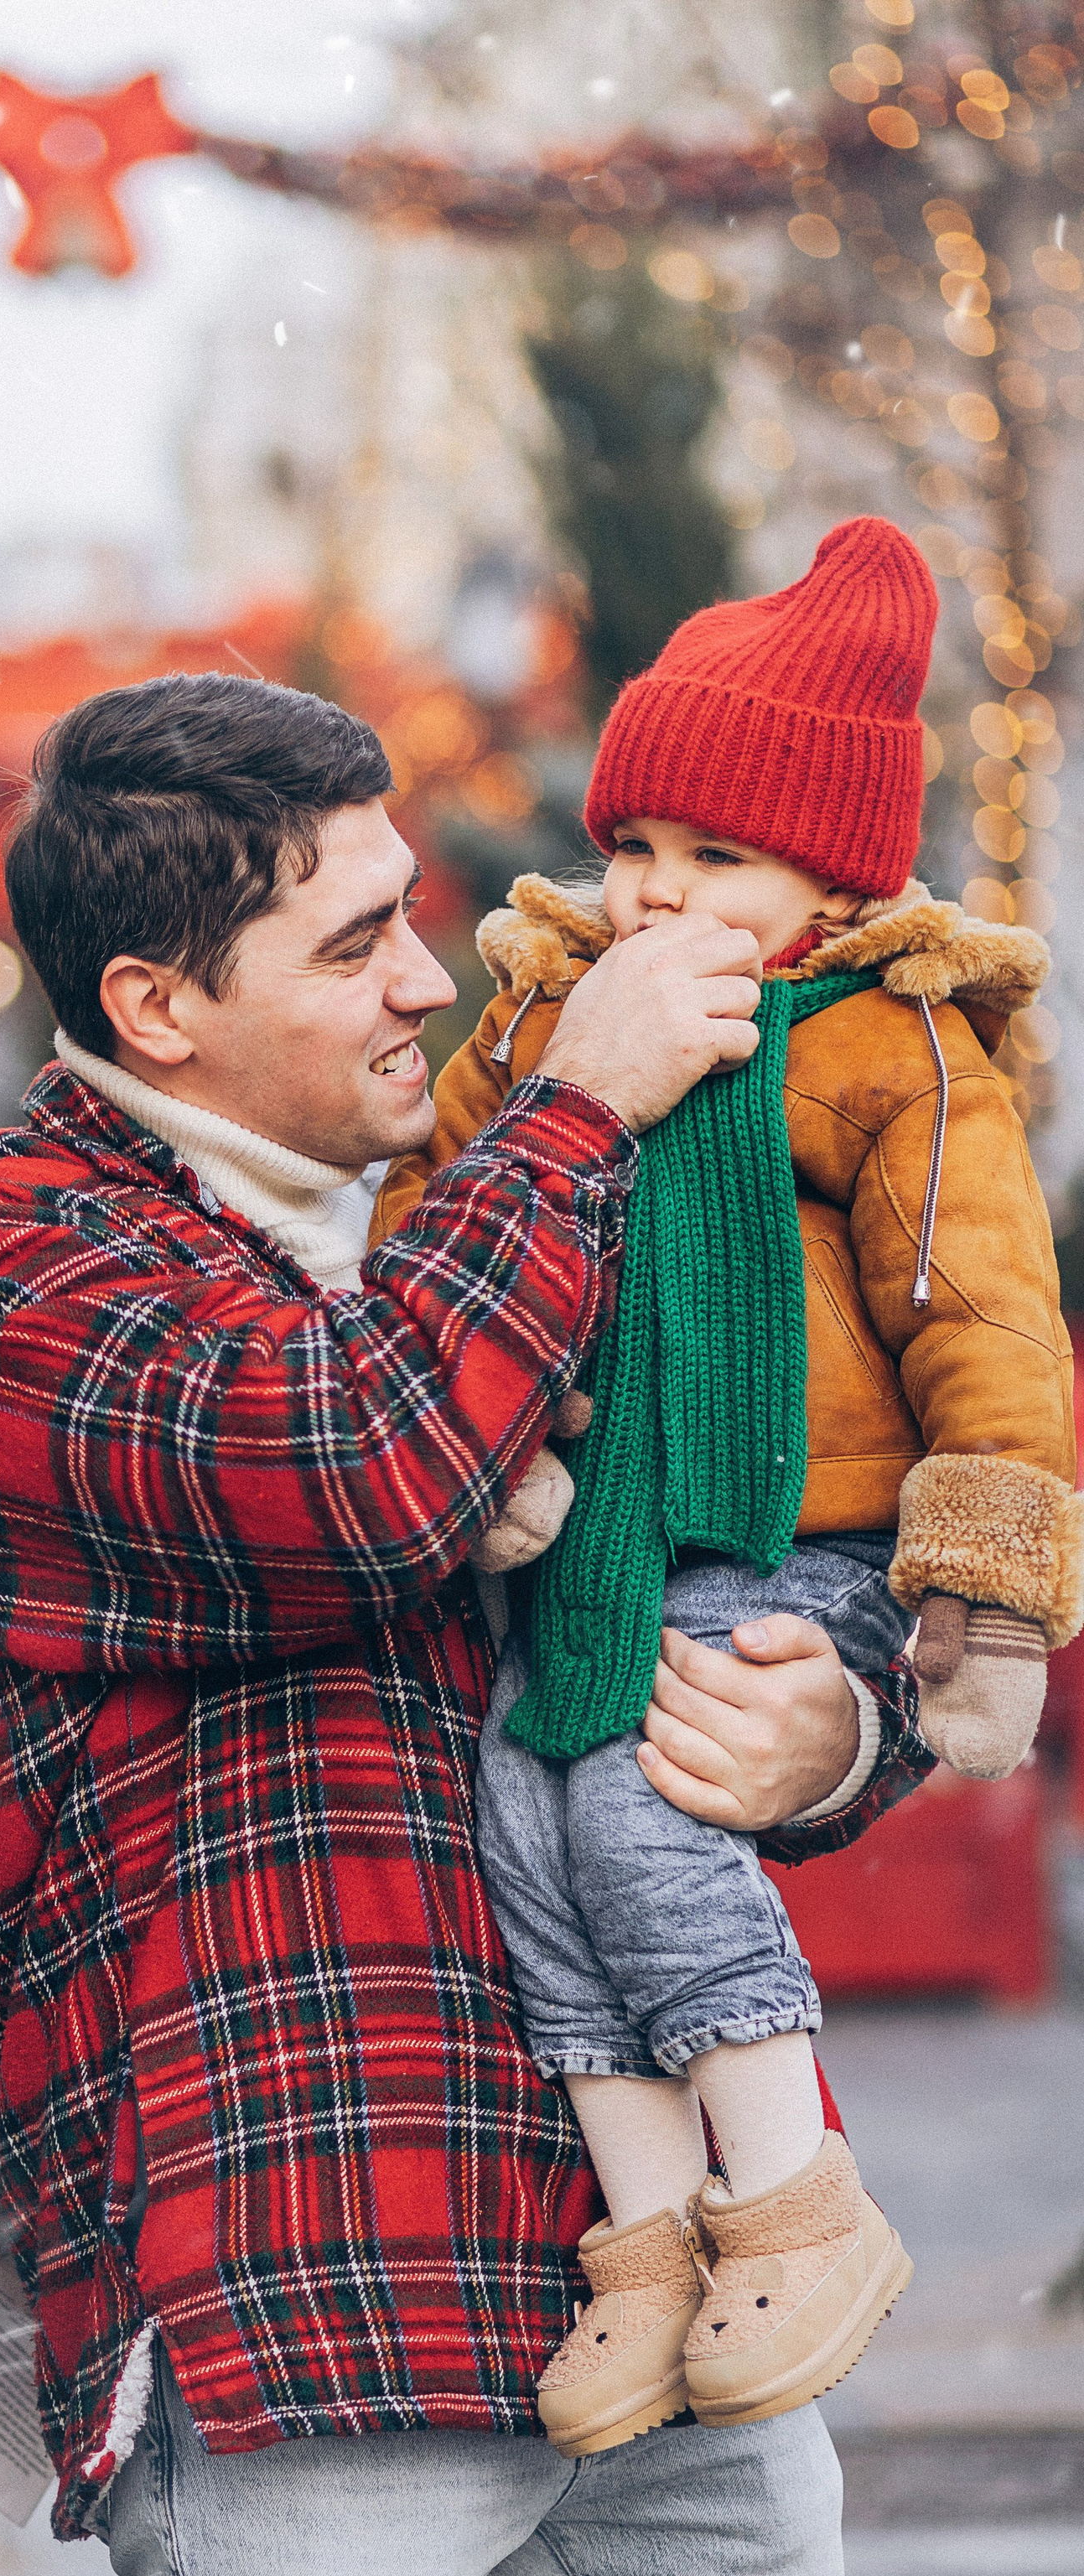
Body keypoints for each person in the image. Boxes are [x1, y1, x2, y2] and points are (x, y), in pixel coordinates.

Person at [0, 671, 933, 2576]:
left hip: (665, 2244)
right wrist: (579, 1115)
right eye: (355, 943)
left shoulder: (474, 1198)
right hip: (299, 2241)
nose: (433, 980)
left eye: (418, 917)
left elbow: (772, 1541)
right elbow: (350, 1476)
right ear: (156, 998)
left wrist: (835, 1723)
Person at [372, 517, 1077, 2458]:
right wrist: (494, 1443)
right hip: (594, 1532)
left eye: (717, 861)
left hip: (800, 1540)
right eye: (635, 851)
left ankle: (790, 2196)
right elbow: (435, 1228)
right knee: (524, 1818)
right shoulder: (541, 1018)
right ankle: (649, 2242)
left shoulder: (881, 1046)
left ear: (826, 880)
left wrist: (984, 1592)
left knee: (645, 1804)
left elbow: (982, 1320)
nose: (658, 896)